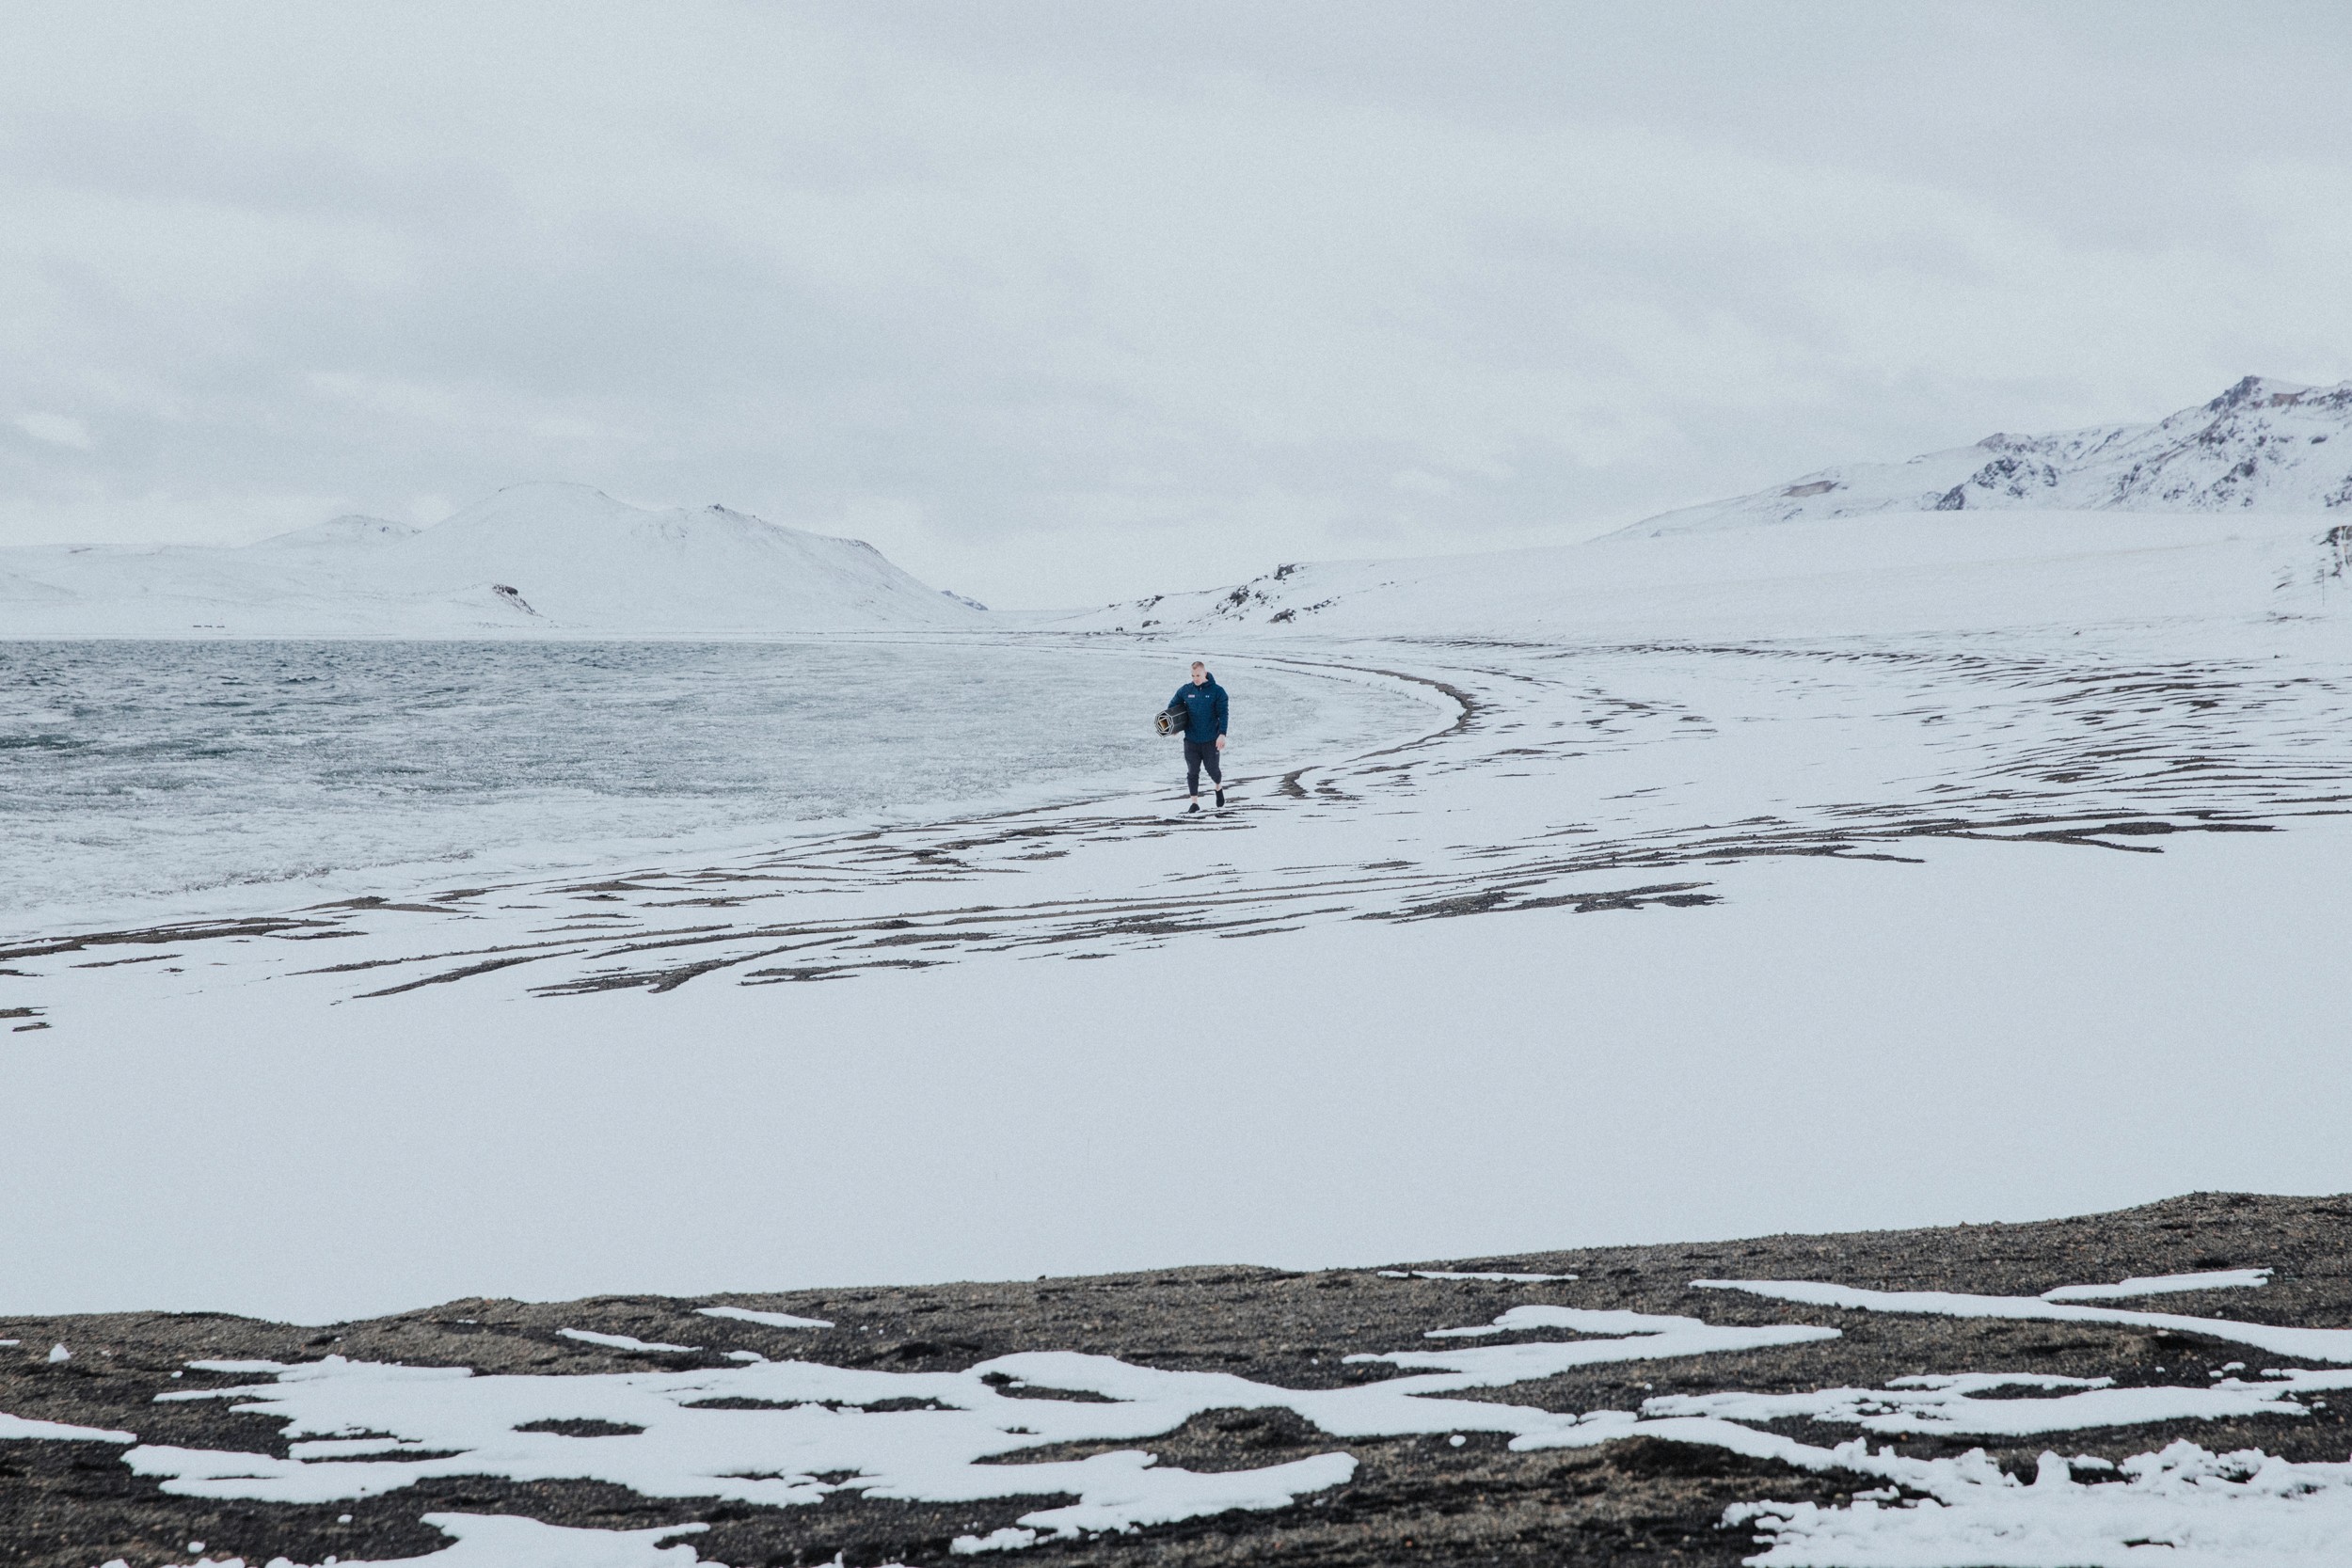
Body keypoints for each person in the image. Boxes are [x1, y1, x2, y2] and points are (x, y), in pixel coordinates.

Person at [1168, 660, 1229, 812]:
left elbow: (1223, 714)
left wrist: (1222, 734)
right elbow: (1172, 707)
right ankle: (1194, 803)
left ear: (1205, 673)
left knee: (1213, 770)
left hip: (1210, 740)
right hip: (1191, 741)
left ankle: (1218, 787)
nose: (1195, 678)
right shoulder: (1186, 690)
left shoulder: (1218, 691)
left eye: (1198, 675)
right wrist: (1174, 726)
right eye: (1193, 675)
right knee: (1192, 771)